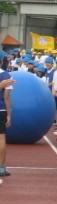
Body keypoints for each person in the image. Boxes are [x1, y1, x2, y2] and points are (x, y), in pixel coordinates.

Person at [0, 51, 14, 180]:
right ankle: (1, 167)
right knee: (1, 137)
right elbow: (6, 97)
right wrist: (9, 115)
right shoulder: (6, 76)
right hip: (1, 110)